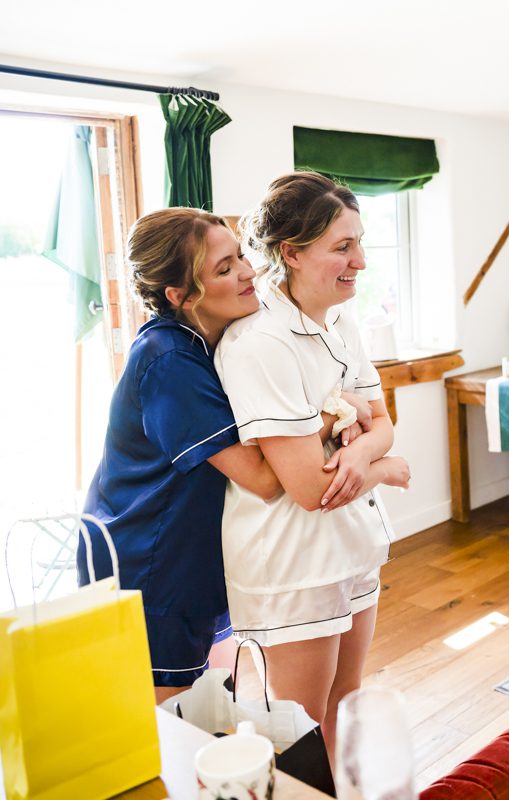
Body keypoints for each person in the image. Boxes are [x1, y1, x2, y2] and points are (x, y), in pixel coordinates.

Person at [215, 171, 411, 762]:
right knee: (298, 731)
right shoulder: (260, 342)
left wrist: (355, 450)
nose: (360, 261)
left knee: (345, 706)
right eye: (342, 247)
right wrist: (380, 468)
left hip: (352, 545)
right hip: (293, 561)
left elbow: (383, 423)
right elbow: (305, 487)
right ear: (291, 253)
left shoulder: (343, 322)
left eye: (359, 243)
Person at [78, 209, 283, 703]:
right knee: (167, 724)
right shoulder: (170, 361)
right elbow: (261, 477)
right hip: (147, 564)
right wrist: (332, 414)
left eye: (241, 256)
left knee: (202, 708)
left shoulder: (208, 344)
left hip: (180, 554)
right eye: (224, 268)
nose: (248, 271)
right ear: (181, 296)